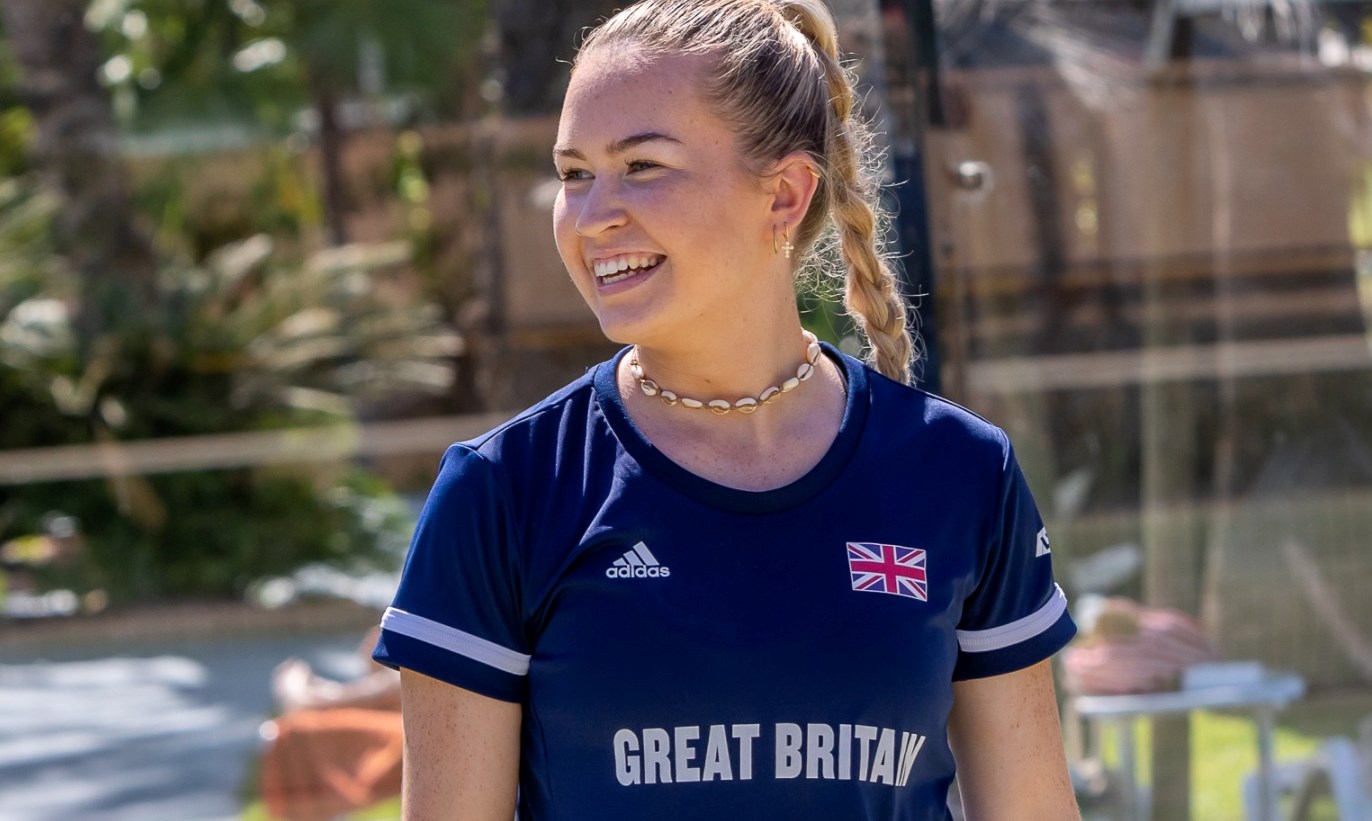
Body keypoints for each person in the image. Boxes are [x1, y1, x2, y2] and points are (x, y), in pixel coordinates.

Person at [369, 0, 1082, 817]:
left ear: (784, 195)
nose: (594, 215)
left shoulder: (963, 474)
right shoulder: (502, 494)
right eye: (574, 174)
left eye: (642, 166)